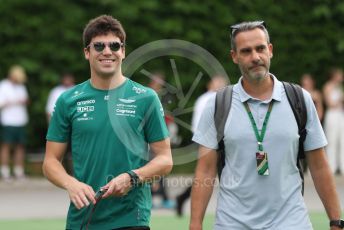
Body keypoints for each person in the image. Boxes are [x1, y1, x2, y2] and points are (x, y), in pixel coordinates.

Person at [190, 21, 342, 230]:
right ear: (234, 56)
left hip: (291, 223)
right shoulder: (218, 104)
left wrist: (336, 221)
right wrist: (195, 224)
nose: (255, 57)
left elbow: (319, 166)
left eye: (260, 48)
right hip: (233, 224)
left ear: (270, 50)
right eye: (246, 51)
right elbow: (205, 171)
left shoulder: (299, 99)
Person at [42, 15, 173, 230]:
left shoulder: (146, 97)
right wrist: (70, 183)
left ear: (123, 51)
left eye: (114, 45)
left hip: (132, 218)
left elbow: (165, 160)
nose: (107, 51)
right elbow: (50, 162)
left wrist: (132, 178)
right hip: (83, 218)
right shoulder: (68, 100)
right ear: (87, 52)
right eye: (98, 46)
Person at [176, 75, 228, 216]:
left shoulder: (211, 98)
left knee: (206, 174)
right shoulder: (210, 99)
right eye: (218, 82)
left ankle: (182, 197)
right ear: (210, 84)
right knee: (207, 173)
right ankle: (183, 198)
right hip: (209, 140)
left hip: (208, 139)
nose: (221, 85)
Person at [148, 73, 177, 209]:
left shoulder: (165, 96)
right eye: (156, 80)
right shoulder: (146, 94)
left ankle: (164, 198)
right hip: (149, 137)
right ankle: (151, 198)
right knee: (150, 167)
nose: (159, 83)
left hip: (163, 135)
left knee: (163, 167)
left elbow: (168, 115)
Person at [0, 65, 29, 181]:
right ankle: (5, 171)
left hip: (21, 120)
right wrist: (14, 101)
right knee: (6, 146)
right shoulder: (3, 86)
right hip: (8, 121)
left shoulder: (21, 86)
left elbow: (26, 100)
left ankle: (19, 171)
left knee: (20, 146)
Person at [323, 68, 344, 175]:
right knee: (331, 139)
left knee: (342, 140)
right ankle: (331, 166)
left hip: (340, 114)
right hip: (332, 114)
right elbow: (330, 103)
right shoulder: (328, 86)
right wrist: (339, 101)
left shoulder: (340, 88)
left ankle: (342, 166)